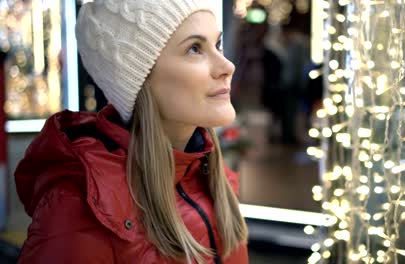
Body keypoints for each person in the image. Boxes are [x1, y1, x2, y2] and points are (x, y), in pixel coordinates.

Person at [14, 1, 249, 263]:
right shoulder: (79, 211)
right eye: (195, 49)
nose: (227, 66)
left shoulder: (213, 179)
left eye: (217, 45)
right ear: (140, 79)